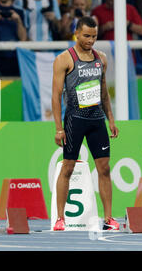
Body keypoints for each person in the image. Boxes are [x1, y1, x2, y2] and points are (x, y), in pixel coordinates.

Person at [51, 16, 119, 232]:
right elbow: (55, 95)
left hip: (97, 119)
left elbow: (103, 92)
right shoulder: (64, 59)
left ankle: (109, 219)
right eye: (87, 36)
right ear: (77, 34)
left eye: (94, 36)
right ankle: (60, 218)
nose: (91, 40)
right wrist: (58, 128)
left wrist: (111, 119)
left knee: (105, 169)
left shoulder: (101, 58)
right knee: (68, 168)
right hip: (74, 120)